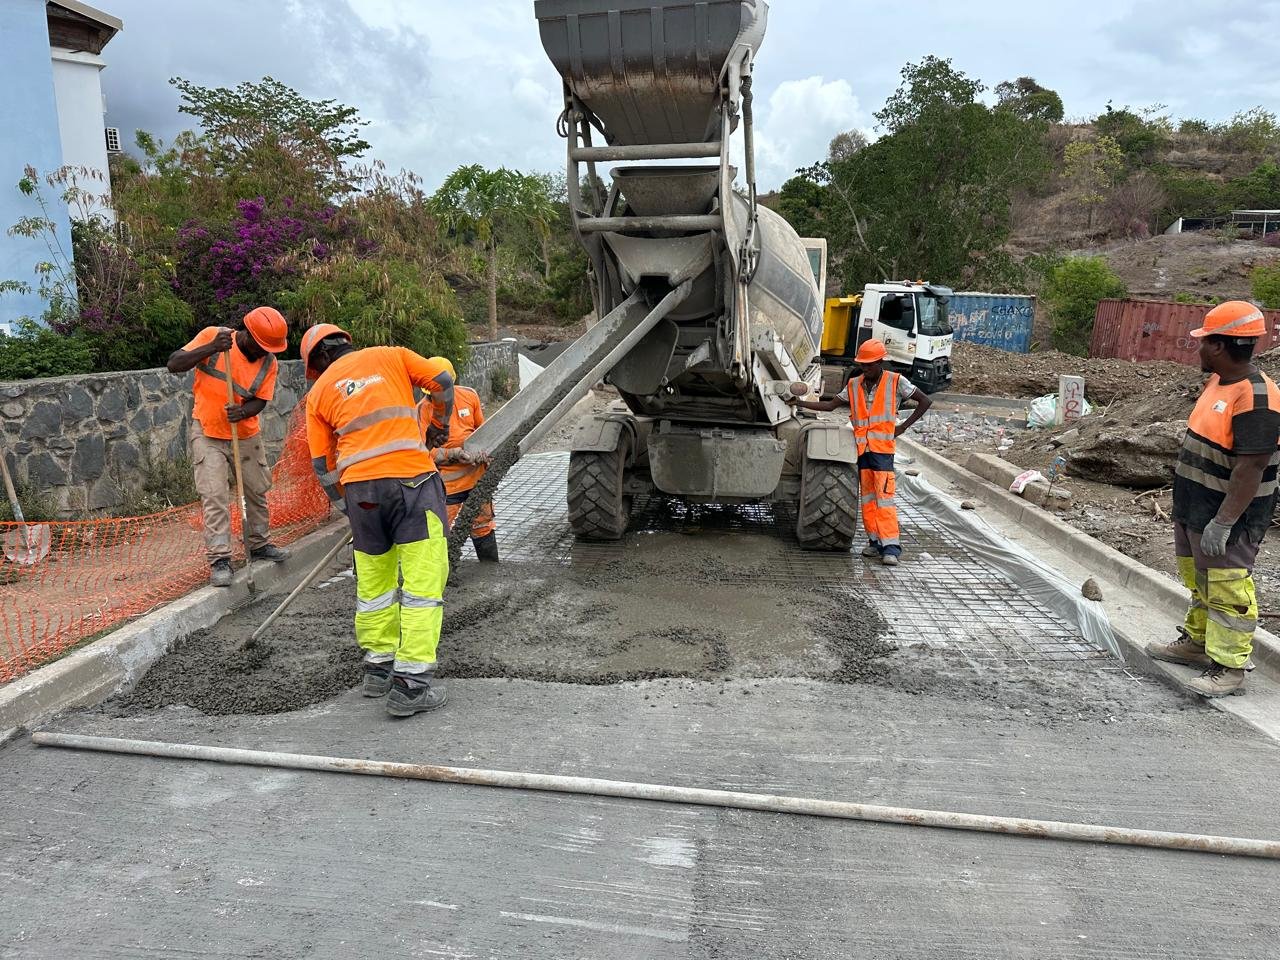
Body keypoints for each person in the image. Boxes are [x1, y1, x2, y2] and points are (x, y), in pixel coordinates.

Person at [301, 323, 458, 717]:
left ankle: (379, 669)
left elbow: (323, 465)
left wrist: (347, 509)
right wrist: (439, 427)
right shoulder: (391, 355)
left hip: (361, 495)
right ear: (344, 344)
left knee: (374, 585)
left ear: (318, 361)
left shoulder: (318, 392)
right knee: (422, 583)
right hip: (413, 482)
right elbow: (441, 381)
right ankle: (411, 686)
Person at [1147, 301, 1280, 698]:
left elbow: (1250, 469)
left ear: (1220, 346)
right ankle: (1198, 643)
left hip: (1228, 517)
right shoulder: (1219, 383)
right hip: (1194, 507)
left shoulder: (1257, 397)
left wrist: (1223, 524)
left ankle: (1230, 666)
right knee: (1200, 581)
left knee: (1228, 589)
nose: (1199, 349)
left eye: (1204, 341)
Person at [167, 307, 291, 587]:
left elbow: (261, 400)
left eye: (268, 349)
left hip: (245, 434)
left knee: (256, 492)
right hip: (208, 432)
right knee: (215, 496)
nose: (263, 353)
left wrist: (244, 412)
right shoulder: (214, 337)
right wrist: (211, 347)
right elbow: (174, 363)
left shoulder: (269, 363)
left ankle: (259, 545)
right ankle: (220, 559)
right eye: (260, 347)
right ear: (247, 333)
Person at [788, 338, 931, 565]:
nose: (865, 368)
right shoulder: (854, 384)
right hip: (863, 450)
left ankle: (891, 547)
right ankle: (875, 543)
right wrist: (800, 403)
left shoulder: (896, 381)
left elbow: (924, 401)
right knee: (868, 500)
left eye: (870, 364)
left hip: (883, 451)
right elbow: (830, 405)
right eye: (863, 364)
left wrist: (902, 427)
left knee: (884, 499)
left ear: (880, 362)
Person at [422, 383, 499, 562]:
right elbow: (423, 452)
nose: (433, 397)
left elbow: (484, 431)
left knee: (483, 525)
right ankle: (443, 575)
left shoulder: (469, 396)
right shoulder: (422, 410)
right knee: (441, 532)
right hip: (448, 486)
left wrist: (484, 451)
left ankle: (488, 569)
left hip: (477, 481)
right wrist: (453, 454)